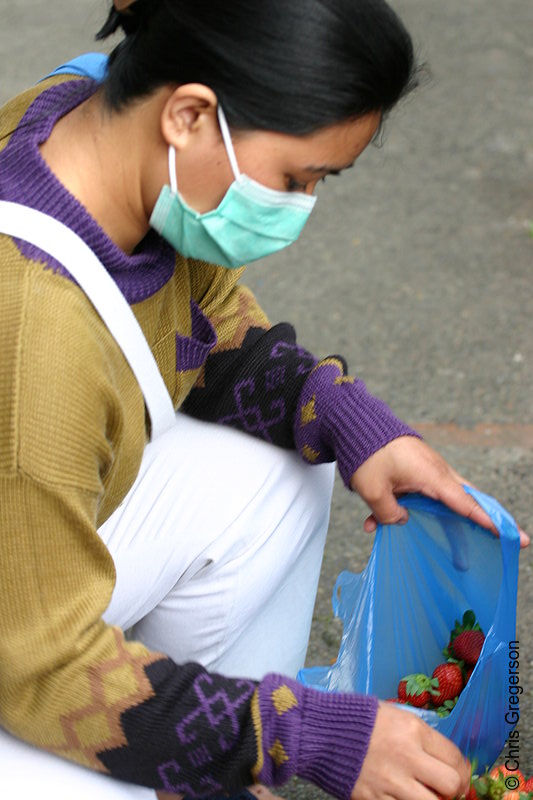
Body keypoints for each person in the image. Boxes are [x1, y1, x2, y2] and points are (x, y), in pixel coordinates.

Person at [0, 1, 528, 799]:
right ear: (188, 114)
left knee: (285, 464)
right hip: (24, 636)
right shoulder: (33, 336)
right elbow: (39, 664)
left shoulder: (87, 113)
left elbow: (197, 323)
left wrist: (348, 419)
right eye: (296, 178)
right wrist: (298, 736)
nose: (301, 207)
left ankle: (205, 752)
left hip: (29, 541)